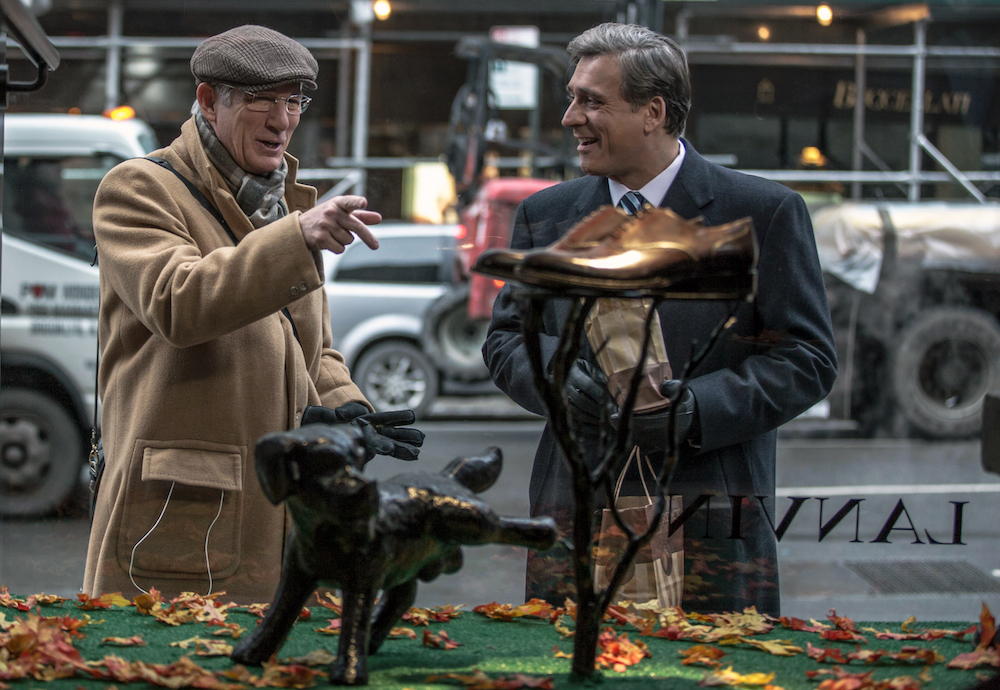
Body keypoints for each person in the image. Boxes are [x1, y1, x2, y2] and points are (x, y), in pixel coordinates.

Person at [483, 22, 838, 616]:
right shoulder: (546, 216)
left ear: (653, 112)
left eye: (591, 101)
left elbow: (808, 360)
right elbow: (506, 343)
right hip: (574, 512)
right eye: (571, 98)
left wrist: (698, 409)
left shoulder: (762, 213)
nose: (570, 117)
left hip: (709, 516)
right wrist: (558, 377)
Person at [84, 25, 421, 603]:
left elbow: (312, 349)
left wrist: (348, 410)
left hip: (287, 510)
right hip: (179, 509)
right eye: (263, 98)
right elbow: (178, 301)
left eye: (294, 100)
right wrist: (296, 236)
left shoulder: (281, 206)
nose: (282, 119)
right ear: (210, 99)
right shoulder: (139, 186)